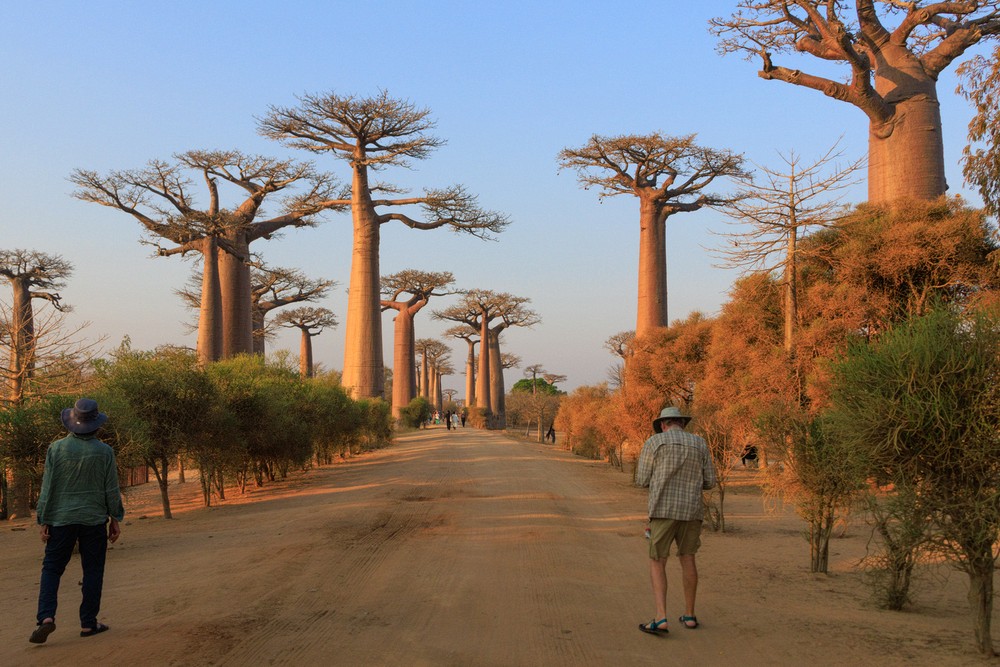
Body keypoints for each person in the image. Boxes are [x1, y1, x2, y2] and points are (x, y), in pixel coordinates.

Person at [29, 398, 125, 644]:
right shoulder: (104, 452)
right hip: (94, 520)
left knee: (52, 568)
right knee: (93, 570)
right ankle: (88, 624)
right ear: (97, 425)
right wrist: (115, 518)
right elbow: (111, 489)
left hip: (60, 519)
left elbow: (48, 487)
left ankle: (46, 618)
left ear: (72, 422)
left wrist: (44, 519)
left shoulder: (56, 449)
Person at [635, 406, 716, 636]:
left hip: (662, 509)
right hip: (692, 511)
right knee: (688, 558)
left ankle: (661, 617)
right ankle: (689, 615)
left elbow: (642, 479)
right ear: (682, 423)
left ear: (663, 424)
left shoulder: (654, 442)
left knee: (657, 560)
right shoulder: (699, 443)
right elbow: (710, 481)